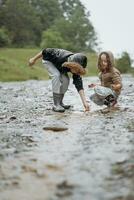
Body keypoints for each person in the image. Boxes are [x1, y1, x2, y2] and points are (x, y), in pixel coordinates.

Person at [29, 48, 90, 112]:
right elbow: (45, 51)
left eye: (79, 71)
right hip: (49, 61)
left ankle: (60, 103)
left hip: (60, 67)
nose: (77, 72)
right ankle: (56, 105)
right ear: (72, 65)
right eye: (77, 70)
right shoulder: (59, 56)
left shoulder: (76, 70)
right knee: (56, 75)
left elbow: (79, 85)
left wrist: (85, 103)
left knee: (66, 81)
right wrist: (33, 59)